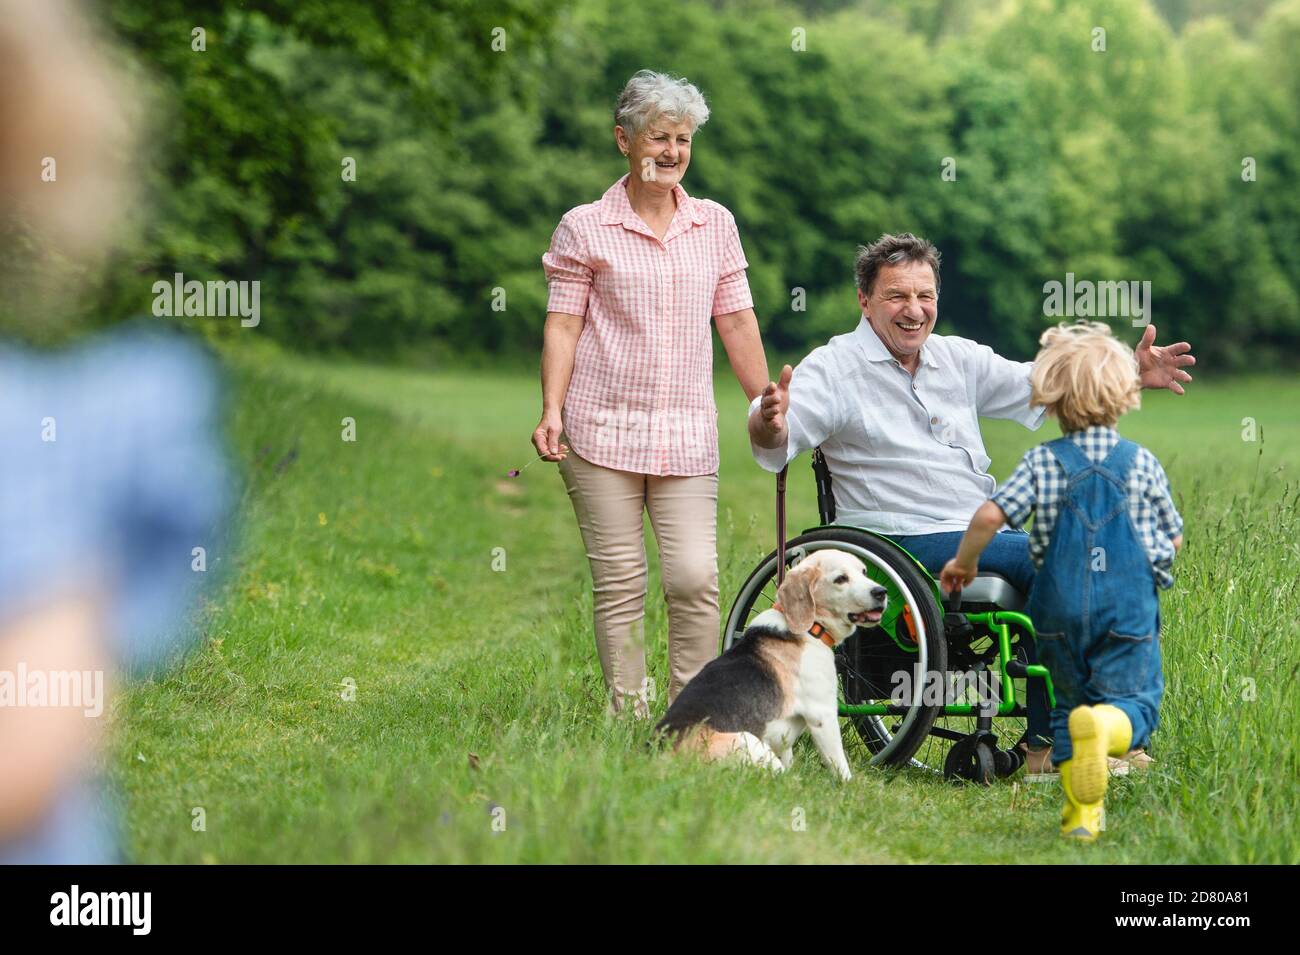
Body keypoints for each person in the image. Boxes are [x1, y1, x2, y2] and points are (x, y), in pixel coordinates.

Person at [748, 232, 1195, 772]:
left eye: (925, 295)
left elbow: (1045, 383)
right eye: (897, 296)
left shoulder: (957, 358)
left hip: (974, 532)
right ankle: (1051, 747)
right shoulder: (834, 368)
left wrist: (1129, 373)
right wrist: (768, 419)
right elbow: (780, 435)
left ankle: (1093, 732)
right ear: (864, 301)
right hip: (898, 541)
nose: (915, 310)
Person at [534, 70, 770, 716]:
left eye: (683, 140)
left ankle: (691, 718)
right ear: (623, 140)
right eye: (659, 138)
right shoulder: (585, 227)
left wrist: (764, 402)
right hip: (601, 431)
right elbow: (564, 322)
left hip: (685, 432)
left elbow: (737, 320)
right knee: (621, 582)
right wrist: (552, 407)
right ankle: (628, 715)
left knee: (694, 578)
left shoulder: (714, 225)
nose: (671, 152)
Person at [940, 321, 1183, 840]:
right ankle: (1116, 733)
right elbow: (1172, 538)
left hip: (1056, 609)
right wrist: (1155, 567)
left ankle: (1081, 817)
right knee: (1135, 701)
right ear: (1126, 396)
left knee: (1070, 704)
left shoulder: (1041, 462)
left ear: (1050, 402)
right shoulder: (1141, 464)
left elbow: (988, 518)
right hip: (1126, 606)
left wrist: (963, 564)